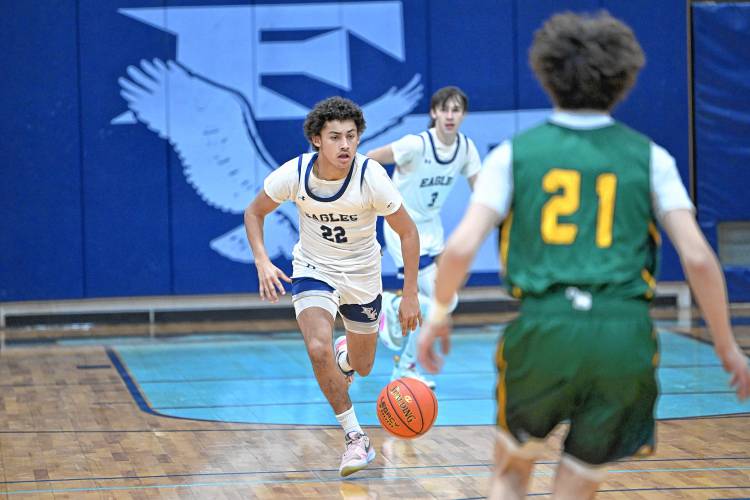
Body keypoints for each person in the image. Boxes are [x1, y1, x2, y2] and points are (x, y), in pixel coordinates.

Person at [418, 11, 750, 500]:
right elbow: (699, 259)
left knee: (510, 473)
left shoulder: (512, 154)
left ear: (546, 73)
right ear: (625, 78)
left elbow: (462, 246)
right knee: (579, 482)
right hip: (624, 336)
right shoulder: (651, 157)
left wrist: (439, 315)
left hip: (545, 330)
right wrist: (727, 348)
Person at [244, 96, 422, 477]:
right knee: (316, 346)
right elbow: (254, 212)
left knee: (363, 366)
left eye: (352, 136)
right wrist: (262, 260)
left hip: (362, 276)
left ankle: (346, 357)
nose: (345, 145)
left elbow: (408, 232)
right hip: (314, 268)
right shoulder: (295, 173)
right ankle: (355, 437)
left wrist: (409, 294)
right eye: (336, 137)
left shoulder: (371, 176)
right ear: (316, 140)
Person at [366, 86, 482, 389]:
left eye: (456, 110)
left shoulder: (466, 149)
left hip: (432, 229)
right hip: (401, 227)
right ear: (434, 113)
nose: (450, 115)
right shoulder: (415, 145)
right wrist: (378, 201)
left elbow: (482, 192)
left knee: (447, 300)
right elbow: (369, 161)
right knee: (430, 306)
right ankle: (404, 367)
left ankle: (390, 309)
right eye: (444, 109)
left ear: (463, 115)